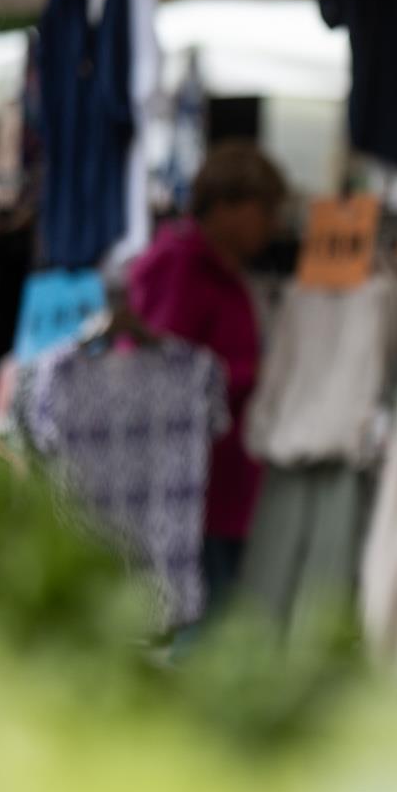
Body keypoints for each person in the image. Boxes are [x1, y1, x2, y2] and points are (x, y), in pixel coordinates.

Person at [129, 141, 285, 621]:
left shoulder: (221, 270)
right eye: (264, 210)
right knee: (204, 619)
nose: (272, 225)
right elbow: (164, 372)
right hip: (196, 488)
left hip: (227, 482)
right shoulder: (181, 267)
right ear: (226, 206)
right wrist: (254, 375)